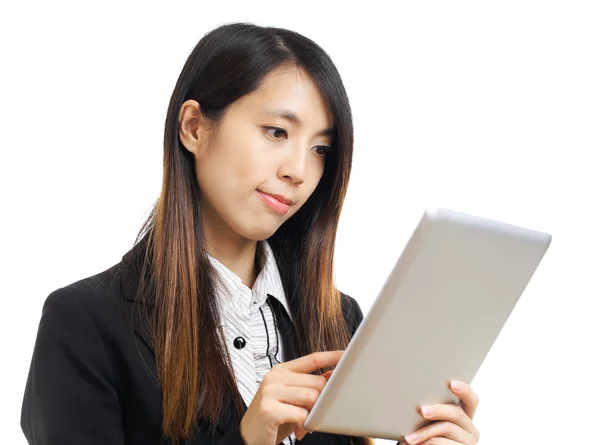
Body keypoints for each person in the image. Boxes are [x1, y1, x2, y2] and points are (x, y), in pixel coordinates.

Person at [20, 23, 481, 445]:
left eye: (321, 149)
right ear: (194, 127)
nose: (299, 170)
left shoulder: (340, 322)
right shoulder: (85, 325)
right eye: (277, 132)